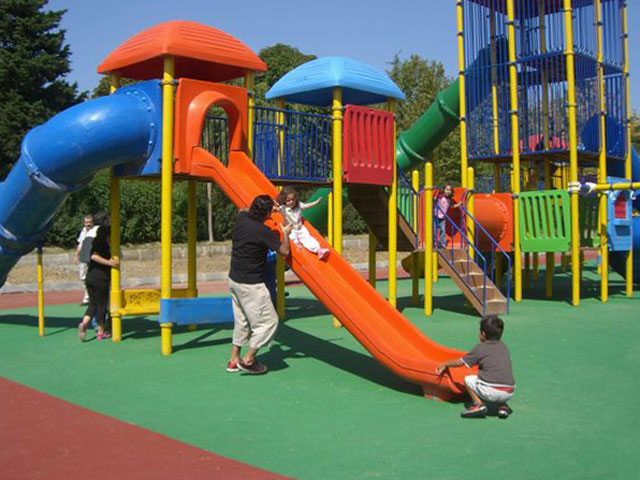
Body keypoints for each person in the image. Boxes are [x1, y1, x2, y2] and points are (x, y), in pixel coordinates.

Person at [226, 195, 292, 375]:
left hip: (234, 281)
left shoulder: (242, 219)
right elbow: (284, 251)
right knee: (269, 323)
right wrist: (285, 233)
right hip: (251, 285)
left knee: (242, 321)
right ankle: (249, 360)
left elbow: (242, 209)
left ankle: (234, 360)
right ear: (268, 213)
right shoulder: (262, 231)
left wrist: (270, 205)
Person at [436, 315, 515, 419]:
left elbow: (460, 363)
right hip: (509, 391)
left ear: (483, 334)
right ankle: (503, 406)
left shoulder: (480, 348)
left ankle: (478, 404)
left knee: (468, 380)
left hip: (490, 391)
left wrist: (445, 364)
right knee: (500, 376)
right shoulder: (503, 347)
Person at [77, 223, 119, 341]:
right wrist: (109, 262)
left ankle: (84, 323)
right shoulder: (102, 245)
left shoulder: (95, 243)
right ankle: (101, 331)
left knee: (93, 304)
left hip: (90, 277)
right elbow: (94, 256)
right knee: (102, 305)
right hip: (101, 278)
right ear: (108, 235)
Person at [276, 186, 329, 260]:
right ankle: (296, 246)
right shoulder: (283, 208)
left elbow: (308, 205)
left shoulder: (299, 206)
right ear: (284, 201)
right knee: (292, 236)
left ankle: (318, 250)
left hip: (300, 228)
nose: (291, 202)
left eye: (293, 200)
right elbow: (276, 209)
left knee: (307, 237)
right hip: (290, 229)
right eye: (288, 200)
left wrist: (316, 202)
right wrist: (273, 207)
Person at [74, 214, 98, 305]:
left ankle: (90, 297)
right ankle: (88, 295)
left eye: (89, 222)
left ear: (93, 222)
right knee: (82, 277)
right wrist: (76, 256)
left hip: (93, 257)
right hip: (83, 257)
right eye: (86, 222)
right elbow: (80, 244)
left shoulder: (95, 230)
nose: (88, 224)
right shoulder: (83, 231)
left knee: (93, 276)